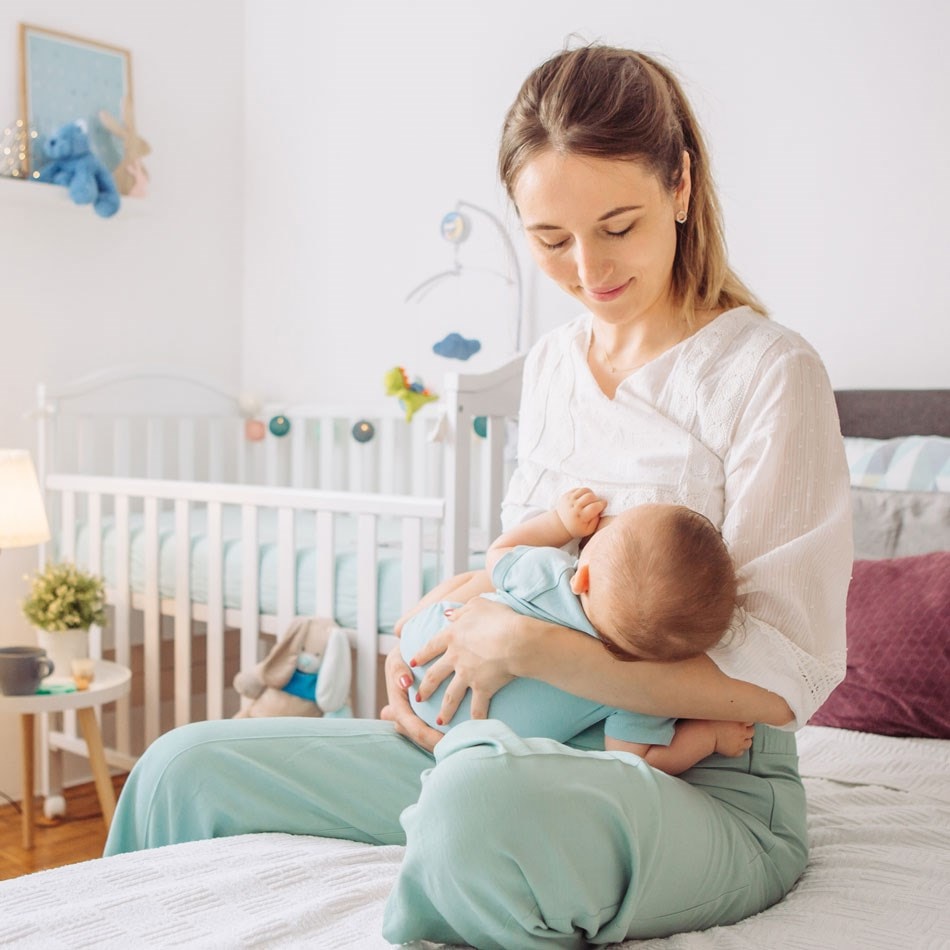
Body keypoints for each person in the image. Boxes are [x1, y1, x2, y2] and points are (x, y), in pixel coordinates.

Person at [104, 44, 852, 948]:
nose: (590, 269)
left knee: (477, 806)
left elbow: (783, 678)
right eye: (551, 240)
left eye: (620, 225)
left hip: (694, 786)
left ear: (682, 186)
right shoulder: (549, 370)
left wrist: (537, 650)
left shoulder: (768, 372)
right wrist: (439, 626)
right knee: (183, 765)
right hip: (501, 742)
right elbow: (525, 567)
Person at [401, 486, 755, 774]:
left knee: (465, 583)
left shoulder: (549, 573)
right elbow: (637, 762)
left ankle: (405, 625)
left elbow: (498, 552)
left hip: (421, 659)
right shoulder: (642, 689)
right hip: (483, 746)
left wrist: (560, 524)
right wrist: (709, 737)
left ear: (582, 576)